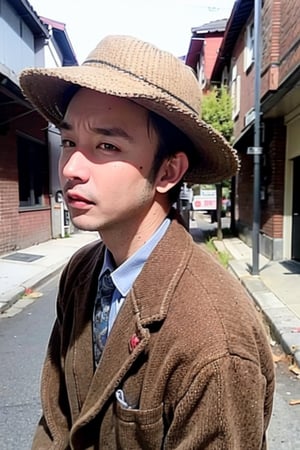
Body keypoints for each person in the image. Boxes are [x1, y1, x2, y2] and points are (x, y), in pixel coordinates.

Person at [20, 35, 275, 449]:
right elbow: (57, 417)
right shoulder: (82, 273)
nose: (72, 167)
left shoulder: (214, 342)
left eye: (106, 145)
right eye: (68, 141)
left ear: (168, 172)